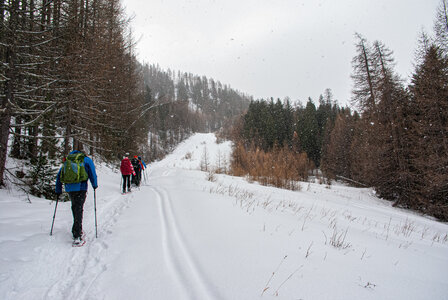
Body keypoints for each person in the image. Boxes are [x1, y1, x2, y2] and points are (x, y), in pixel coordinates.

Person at [55, 150, 98, 246]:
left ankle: (76, 229)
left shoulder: (68, 160)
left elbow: (59, 175)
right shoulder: (86, 159)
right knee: (78, 208)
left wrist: (58, 189)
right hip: (81, 187)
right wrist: (94, 184)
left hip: (69, 188)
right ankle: (77, 235)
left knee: (75, 207)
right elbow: (92, 173)